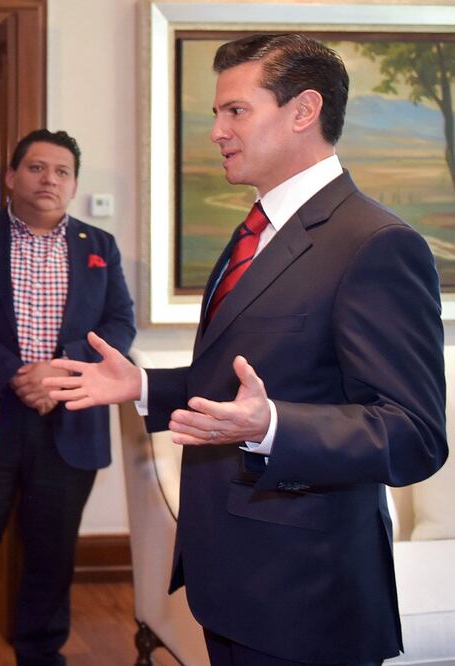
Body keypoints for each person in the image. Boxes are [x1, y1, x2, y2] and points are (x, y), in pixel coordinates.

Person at [46, 34, 447, 665]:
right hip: (231, 579)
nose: (217, 132)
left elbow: (414, 433)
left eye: (236, 110)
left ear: (303, 110)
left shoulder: (376, 245)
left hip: (306, 595)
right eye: (216, 114)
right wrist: (144, 387)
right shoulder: (254, 229)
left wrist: (275, 426)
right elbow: (249, 377)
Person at [0, 129, 136, 665]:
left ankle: (41, 655)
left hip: (69, 421)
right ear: (11, 177)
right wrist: (18, 374)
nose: (49, 179)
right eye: (36, 168)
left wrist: (59, 373)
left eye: (62, 171)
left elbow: (120, 323)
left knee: (51, 556)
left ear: (73, 185)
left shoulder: (99, 247)